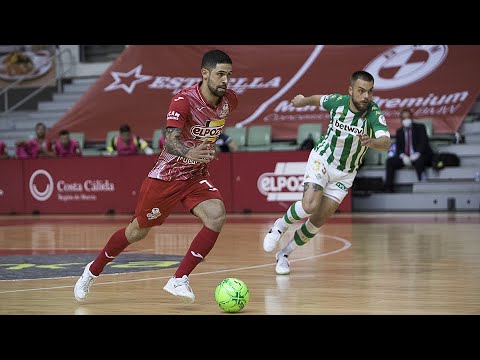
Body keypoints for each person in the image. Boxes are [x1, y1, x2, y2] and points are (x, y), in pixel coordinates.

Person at [74, 49, 238, 303]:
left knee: (216, 215)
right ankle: (91, 272)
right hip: (166, 178)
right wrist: (191, 151)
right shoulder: (183, 100)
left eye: (228, 75)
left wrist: (207, 147)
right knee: (137, 232)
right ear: (205, 74)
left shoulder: (229, 102)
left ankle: (179, 279)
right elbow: (170, 141)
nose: (225, 80)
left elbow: (210, 129)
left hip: (194, 177)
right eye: (220, 74)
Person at [263, 70, 391, 275]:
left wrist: (372, 142)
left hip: (345, 174)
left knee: (318, 220)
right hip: (323, 159)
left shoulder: (374, 114)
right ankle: (279, 227)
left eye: (370, 91)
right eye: (361, 91)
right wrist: (302, 101)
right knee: (309, 205)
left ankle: (284, 254)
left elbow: (385, 142)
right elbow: (318, 100)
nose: (366, 96)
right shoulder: (337, 102)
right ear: (350, 90)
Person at [384, 108, 433, 193]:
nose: (406, 120)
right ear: (401, 120)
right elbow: (399, 148)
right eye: (404, 118)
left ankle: (422, 184)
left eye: (408, 117)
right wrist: (403, 156)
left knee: (420, 161)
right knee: (390, 161)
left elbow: (423, 143)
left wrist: (417, 153)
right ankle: (389, 188)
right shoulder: (399, 132)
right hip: (406, 158)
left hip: (418, 156)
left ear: (411, 118)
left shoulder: (420, 127)